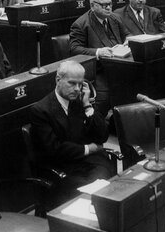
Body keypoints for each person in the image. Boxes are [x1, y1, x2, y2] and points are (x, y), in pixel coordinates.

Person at [29, 60, 113, 207]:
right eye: (72, 83)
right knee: (94, 193)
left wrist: (88, 105)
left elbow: (102, 136)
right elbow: (54, 149)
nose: (77, 89)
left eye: (80, 84)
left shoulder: (80, 101)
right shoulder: (41, 110)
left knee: (106, 183)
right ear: (58, 80)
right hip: (62, 168)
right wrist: (88, 149)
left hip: (87, 163)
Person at [69, 0, 129, 116]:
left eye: (110, 4)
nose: (108, 8)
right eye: (104, 5)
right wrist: (98, 52)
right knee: (105, 96)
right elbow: (74, 49)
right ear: (92, 5)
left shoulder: (115, 18)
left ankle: (122, 122)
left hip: (120, 65)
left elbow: (127, 35)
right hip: (99, 71)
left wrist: (128, 41)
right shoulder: (80, 24)